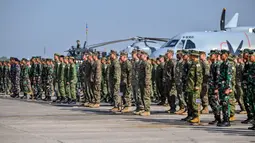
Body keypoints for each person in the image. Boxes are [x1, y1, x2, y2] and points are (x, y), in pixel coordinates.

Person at [184, 50, 203, 123]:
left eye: (191, 55)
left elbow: (199, 76)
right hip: (190, 86)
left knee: (196, 101)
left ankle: (197, 116)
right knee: (191, 102)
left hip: (195, 88)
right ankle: (192, 115)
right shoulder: (193, 64)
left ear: (194, 56)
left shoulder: (197, 64)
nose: (190, 56)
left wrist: (197, 85)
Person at [217, 49, 233, 127]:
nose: (220, 56)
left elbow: (229, 77)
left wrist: (228, 88)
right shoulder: (222, 64)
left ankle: (227, 120)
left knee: (226, 104)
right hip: (222, 87)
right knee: (222, 103)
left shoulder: (228, 64)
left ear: (226, 55)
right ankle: (224, 119)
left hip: (225, 87)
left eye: (222, 54)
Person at [208, 50, 221, 125]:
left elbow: (218, 77)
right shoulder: (213, 64)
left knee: (216, 103)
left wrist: (216, 88)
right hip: (211, 86)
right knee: (212, 102)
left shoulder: (217, 65)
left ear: (215, 56)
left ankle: (218, 118)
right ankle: (216, 117)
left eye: (211, 55)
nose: (210, 56)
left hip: (215, 87)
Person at [139, 51, 152, 116]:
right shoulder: (142, 63)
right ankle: (145, 109)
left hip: (145, 83)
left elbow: (148, 74)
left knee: (146, 96)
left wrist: (146, 83)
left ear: (145, 56)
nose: (140, 56)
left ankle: (147, 110)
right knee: (143, 96)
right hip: (142, 82)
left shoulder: (146, 63)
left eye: (141, 55)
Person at [174, 50, 186, 114]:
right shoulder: (178, 62)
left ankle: (183, 107)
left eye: (178, 54)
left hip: (181, 81)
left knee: (182, 95)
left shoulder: (183, 62)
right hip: (178, 81)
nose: (177, 55)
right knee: (179, 95)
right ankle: (181, 107)